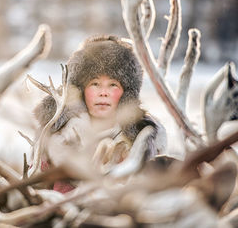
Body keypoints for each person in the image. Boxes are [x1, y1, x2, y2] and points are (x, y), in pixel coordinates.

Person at [33, 35, 167, 193]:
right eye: (95, 84)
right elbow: (36, 190)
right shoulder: (55, 135)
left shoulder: (146, 136)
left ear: (126, 93)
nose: (103, 93)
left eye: (113, 85)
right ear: (81, 89)